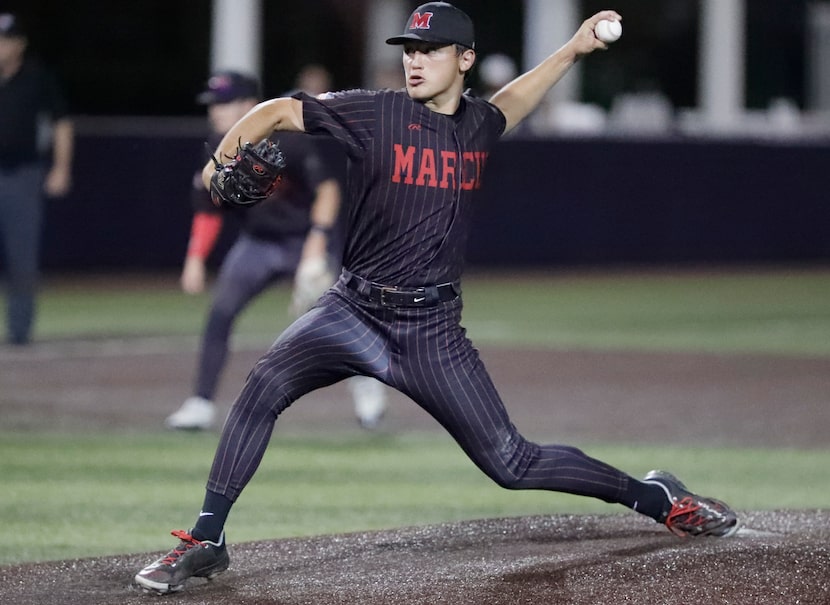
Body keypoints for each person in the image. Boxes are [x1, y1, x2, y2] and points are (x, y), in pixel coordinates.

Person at [135, 3, 738, 594]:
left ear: (465, 58)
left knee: (512, 463)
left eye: (431, 50)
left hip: (432, 332)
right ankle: (207, 539)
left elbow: (514, 102)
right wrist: (220, 165)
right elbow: (272, 112)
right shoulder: (374, 113)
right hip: (352, 311)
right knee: (262, 387)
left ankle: (652, 496)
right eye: (410, 51)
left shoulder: (478, 123)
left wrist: (575, 49)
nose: (415, 61)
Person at [165, 69, 388, 431]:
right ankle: (201, 403)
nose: (216, 112)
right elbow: (207, 207)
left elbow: (328, 192)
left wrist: (316, 244)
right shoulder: (219, 147)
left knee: (339, 321)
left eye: (225, 103)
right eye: (213, 105)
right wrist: (194, 259)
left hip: (305, 241)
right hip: (259, 243)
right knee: (220, 313)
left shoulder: (286, 140)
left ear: (250, 105)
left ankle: (365, 385)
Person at [0, 13, 73, 345]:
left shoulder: (36, 77)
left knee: (22, 258)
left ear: (19, 44)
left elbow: (61, 122)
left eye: (6, 40)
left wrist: (61, 168)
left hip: (23, 175)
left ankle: (19, 333)